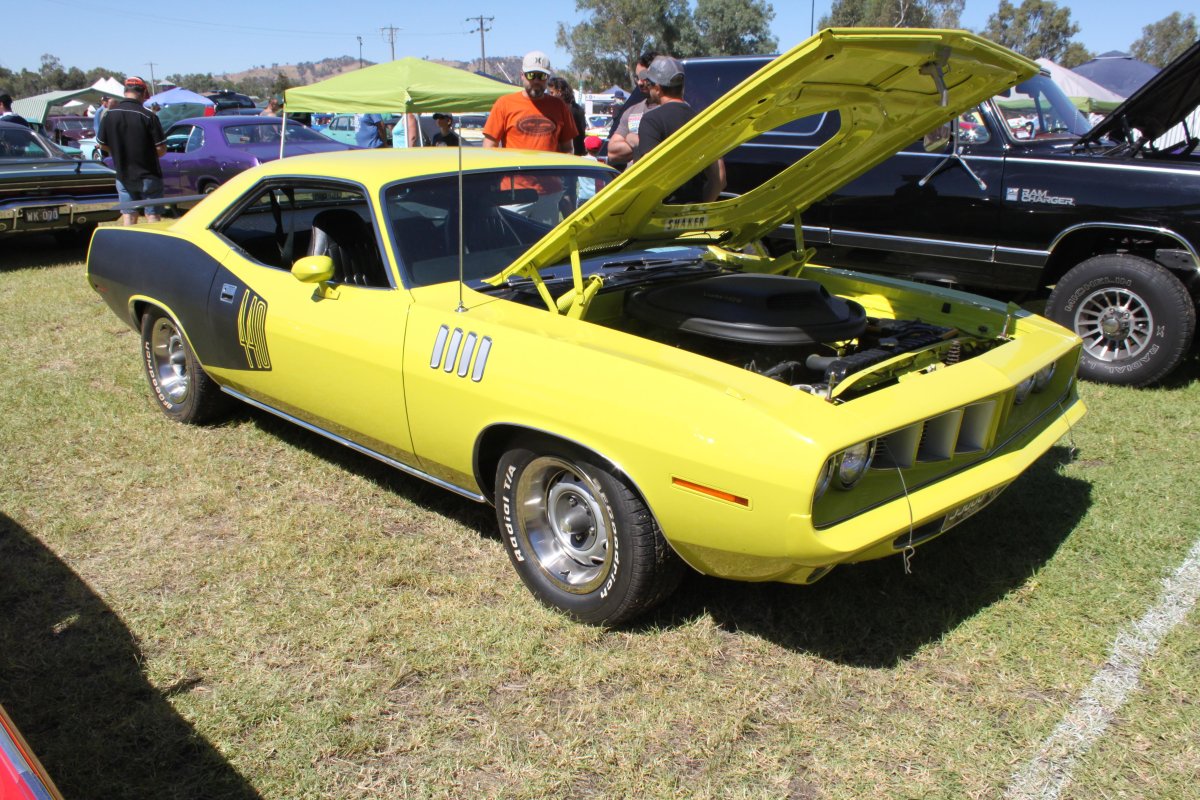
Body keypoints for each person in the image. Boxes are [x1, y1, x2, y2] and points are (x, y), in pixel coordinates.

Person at [632, 56, 723, 204]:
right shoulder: (702, 121)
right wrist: (696, 209)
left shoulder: (652, 121)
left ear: (658, 88)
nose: (647, 87)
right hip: (693, 219)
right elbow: (719, 178)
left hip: (659, 217)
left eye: (649, 83)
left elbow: (649, 178)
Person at [97, 76, 166, 225]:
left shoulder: (109, 115)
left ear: (125, 92)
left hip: (123, 174)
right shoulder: (148, 116)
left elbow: (101, 144)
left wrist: (117, 152)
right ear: (142, 93)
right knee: (152, 216)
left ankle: (129, 247)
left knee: (128, 215)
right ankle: (154, 247)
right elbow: (161, 149)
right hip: (149, 174)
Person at [482, 50, 577, 153]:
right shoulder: (504, 104)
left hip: (549, 169)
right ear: (522, 75)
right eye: (531, 75)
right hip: (515, 169)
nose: (536, 81)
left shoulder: (559, 107)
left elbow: (568, 149)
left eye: (541, 76)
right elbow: (489, 147)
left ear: (548, 78)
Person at [605, 52, 658, 169]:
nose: (639, 83)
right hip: (634, 184)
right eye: (637, 78)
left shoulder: (672, 110)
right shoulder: (631, 111)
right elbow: (612, 152)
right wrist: (646, 144)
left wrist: (631, 138)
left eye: (644, 77)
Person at [546, 76, 587, 156]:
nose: (550, 96)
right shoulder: (578, 109)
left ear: (559, 91)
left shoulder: (564, 111)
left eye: (551, 93)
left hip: (566, 156)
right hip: (577, 154)